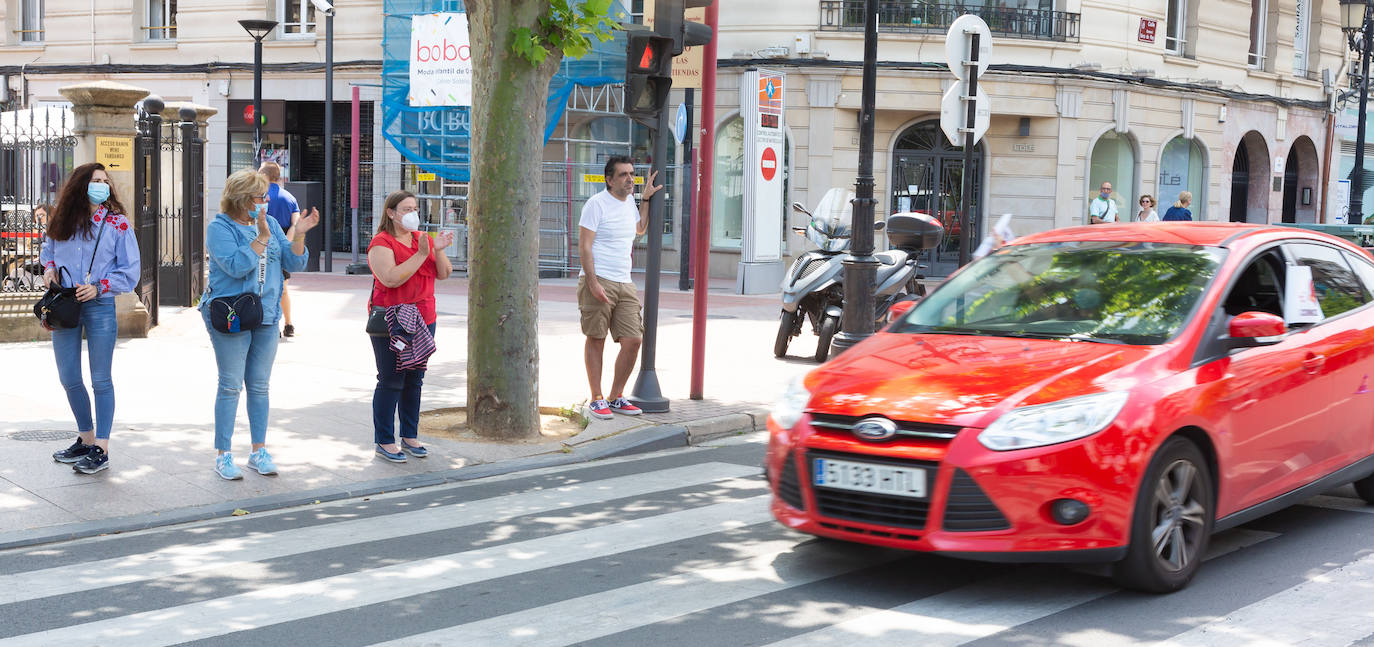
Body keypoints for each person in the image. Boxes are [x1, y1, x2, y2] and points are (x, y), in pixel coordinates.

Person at [202, 169, 318, 480]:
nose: (264, 202)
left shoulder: (272, 225)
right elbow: (237, 267)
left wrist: (301, 232)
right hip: (233, 315)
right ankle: (223, 455)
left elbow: (295, 263)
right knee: (230, 385)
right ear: (241, 200)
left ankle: (258, 451)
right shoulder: (220, 228)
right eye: (259, 197)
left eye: (265, 196)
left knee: (259, 386)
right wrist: (262, 237)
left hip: (266, 315)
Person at [40, 163, 140, 474]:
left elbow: (131, 272)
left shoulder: (118, 224)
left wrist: (99, 287)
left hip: (99, 306)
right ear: (81, 185)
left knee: (100, 379)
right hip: (65, 303)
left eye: (105, 181)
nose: (102, 185)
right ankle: (85, 438)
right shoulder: (62, 220)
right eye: (96, 180)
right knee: (68, 376)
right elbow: (48, 250)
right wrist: (49, 268)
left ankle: (102, 447)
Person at [367, 191, 453, 462]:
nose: (412, 213)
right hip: (393, 320)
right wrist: (421, 254)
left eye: (415, 208)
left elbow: (445, 273)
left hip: (424, 318)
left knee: (415, 378)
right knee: (392, 379)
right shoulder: (381, 243)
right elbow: (390, 278)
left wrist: (436, 251)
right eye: (405, 208)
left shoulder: (423, 239)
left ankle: (409, 434)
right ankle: (384, 439)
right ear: (391, 213)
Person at [578, 156, 661, 420]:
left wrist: (646, 200)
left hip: (625, 281)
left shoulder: (630, 205)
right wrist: (592, 282)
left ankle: (615, 396)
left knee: (634, 339)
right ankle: (597, 398)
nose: (630, 179)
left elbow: (639, 229)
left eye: (632, 174)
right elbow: (585, 245)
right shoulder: (596, 204)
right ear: (609, 179)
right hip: (598, 277)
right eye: (624, 174)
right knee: (596, 338)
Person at [258, 162, 316, 338]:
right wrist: (288, 244)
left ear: (264, 176)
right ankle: (288, 322)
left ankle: (270, 322)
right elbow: (295, 223)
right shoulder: (289, 198)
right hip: (284, 242)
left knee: (262, 287)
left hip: (262, 242)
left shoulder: (260, 195)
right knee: (282, 288)